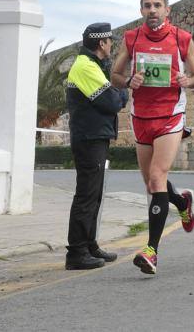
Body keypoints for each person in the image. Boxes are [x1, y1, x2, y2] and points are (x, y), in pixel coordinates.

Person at [111, 0, 194, 274]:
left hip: (170, 114)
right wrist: (129, 82)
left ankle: (151, 250)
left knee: (156, 176)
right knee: (151, 184)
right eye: (147, 6)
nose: (152, 10)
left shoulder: (181, 38)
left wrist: (186, 80)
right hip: (141, 116)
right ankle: (181, 200)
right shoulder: (132, 38)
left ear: (167, 10)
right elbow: (114, 76)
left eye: (157, 5)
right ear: (141, 10)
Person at [65, 23, 123, 270]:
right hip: (89, 138)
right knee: (87, 195)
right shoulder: (86, 67)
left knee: (94, 193)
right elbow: (111, 101)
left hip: (94, 136)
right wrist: (122, 92)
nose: (112, 45)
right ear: (101, 43)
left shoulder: (92, 65)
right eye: (110, 41)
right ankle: (77, 252)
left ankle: (89, 244)